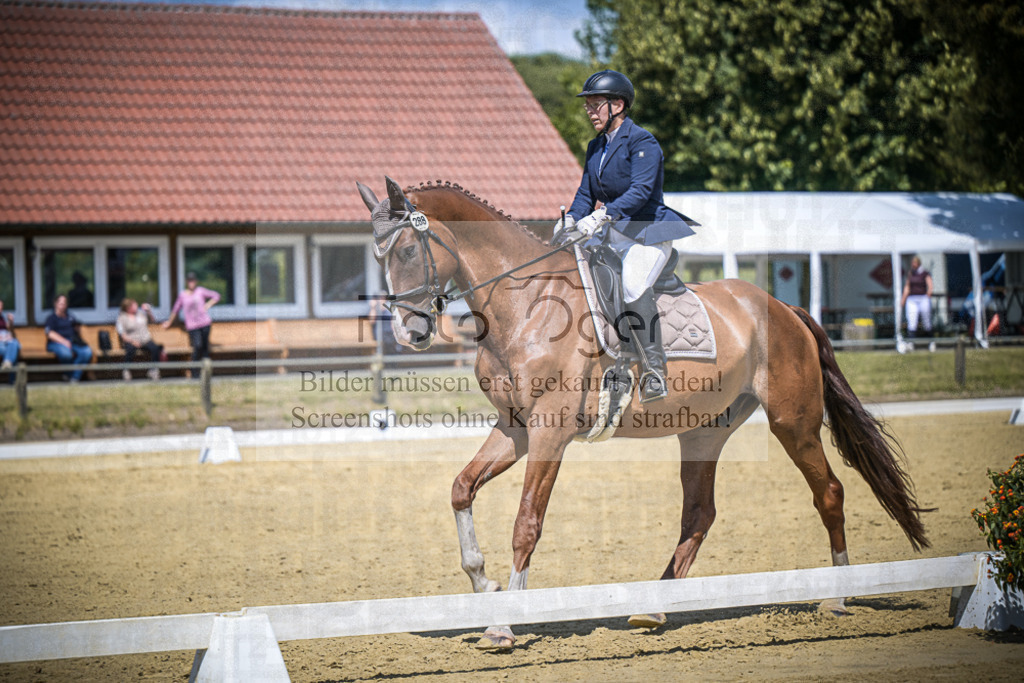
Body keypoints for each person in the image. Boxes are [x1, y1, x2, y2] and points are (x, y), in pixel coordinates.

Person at [554, 69, 696, 403]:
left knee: (632, 283)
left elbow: (641, 191)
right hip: (615, 233)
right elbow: (585, 194)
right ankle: (613, 358)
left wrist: (602, 215)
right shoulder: (595, 147)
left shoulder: (643, 141)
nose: (590, 112)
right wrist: (571, 219)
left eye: (596, 105)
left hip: (647, 232)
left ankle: (654, 370)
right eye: (587, 106)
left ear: (617, 105)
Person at [163, 272, 220, 373]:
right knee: (197, 346)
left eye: (193, 280)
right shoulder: (183, 295)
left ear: (196, 281)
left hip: (205, 323)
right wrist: (169, 322)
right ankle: (194, 372)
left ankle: (206, 372)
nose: (191, 283)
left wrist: (208, 305)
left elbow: (216, 296)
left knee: (205, 348)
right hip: (192, 326)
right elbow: (176, 309)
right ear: (186, 282)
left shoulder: (200, 291)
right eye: (189, 281)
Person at [44, 294, 93, 382]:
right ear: (56, 304)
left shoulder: (70, 316)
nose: (63, 306)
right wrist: (64, 341)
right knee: (66, 354)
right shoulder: (51, 318)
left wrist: (77, 329)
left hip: (73, 341)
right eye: (61, 303)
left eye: (64, 303)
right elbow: (50, 334)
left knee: (87, 352)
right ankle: (70, 375)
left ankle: (74, 377)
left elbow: (75, 329)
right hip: (56, 343)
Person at [116, 298, 164, 381]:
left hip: (145, 339)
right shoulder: (121, 318)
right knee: (130, 350)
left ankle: (153, 370)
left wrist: (148, 311)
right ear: (128, 308)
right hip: (131, 340)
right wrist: (133, 342)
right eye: (134, 305)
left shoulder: (141, 314)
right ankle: (126, 370)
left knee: (155, 348)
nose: (136, 306)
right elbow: (122, 335)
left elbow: (152, 320)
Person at [900, 255, 933, 341]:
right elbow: (907, 287)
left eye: (914, 262)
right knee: (912, 320)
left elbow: (930, 285)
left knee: (926, 320)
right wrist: (903, 299)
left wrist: (928, 294)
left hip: (923, 298)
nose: (913, 264)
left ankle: (930, 341)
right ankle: (911, 342)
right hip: (912, 299)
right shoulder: (911, 273)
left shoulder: (925, 273)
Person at [0, 299, 20, 383]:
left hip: (5, 341)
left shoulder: (2, 318)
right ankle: (12, 380)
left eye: (1, 307)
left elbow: (9, 330)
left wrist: (11, 322)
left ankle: (7, 362)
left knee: (14, 343)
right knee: (12, 351)